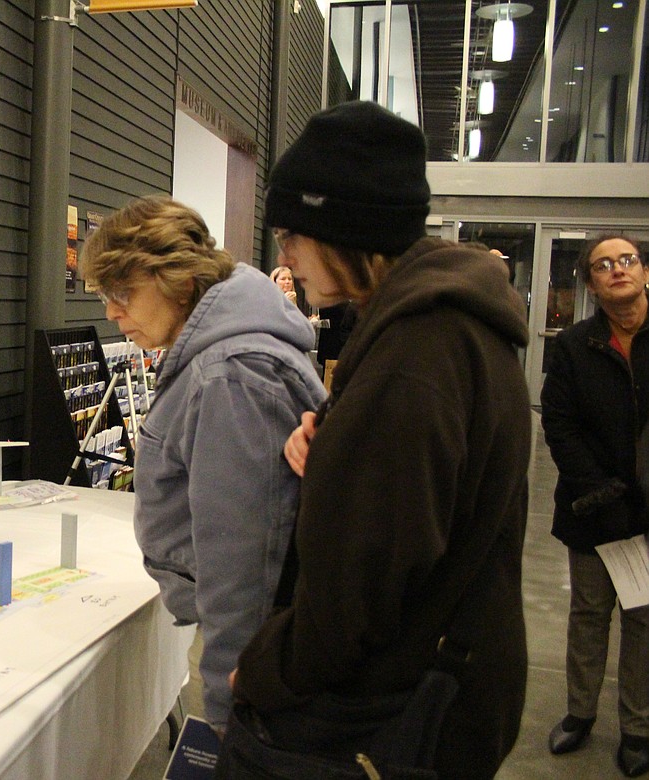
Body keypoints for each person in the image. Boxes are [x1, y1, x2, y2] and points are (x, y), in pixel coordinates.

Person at [219, 101, 531, 779]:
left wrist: (264, 669)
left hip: (391, 709)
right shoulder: (446, 328)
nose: (287, 257)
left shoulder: (418, 355)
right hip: (448, 680)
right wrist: (339, 445)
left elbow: (358, 595)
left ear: (343, 232)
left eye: (293, 235)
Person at [80, 195, 326, 732]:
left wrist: (227, 706)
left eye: (123, 292)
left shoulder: (231, 375)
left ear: (178, 280)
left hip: (248, 653)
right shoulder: (220, 355)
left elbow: (244, 561)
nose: (111, 311)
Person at [540, 234, 649, 777]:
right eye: (604, 265)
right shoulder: (573, 346)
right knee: (588, 613)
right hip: (592, 505)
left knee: (644, 618)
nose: (617, 270)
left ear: (644, 271)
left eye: (626, 260)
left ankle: (638, 727)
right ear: (591, 283)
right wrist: (599, 489)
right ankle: (580, 714)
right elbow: (558, 423)